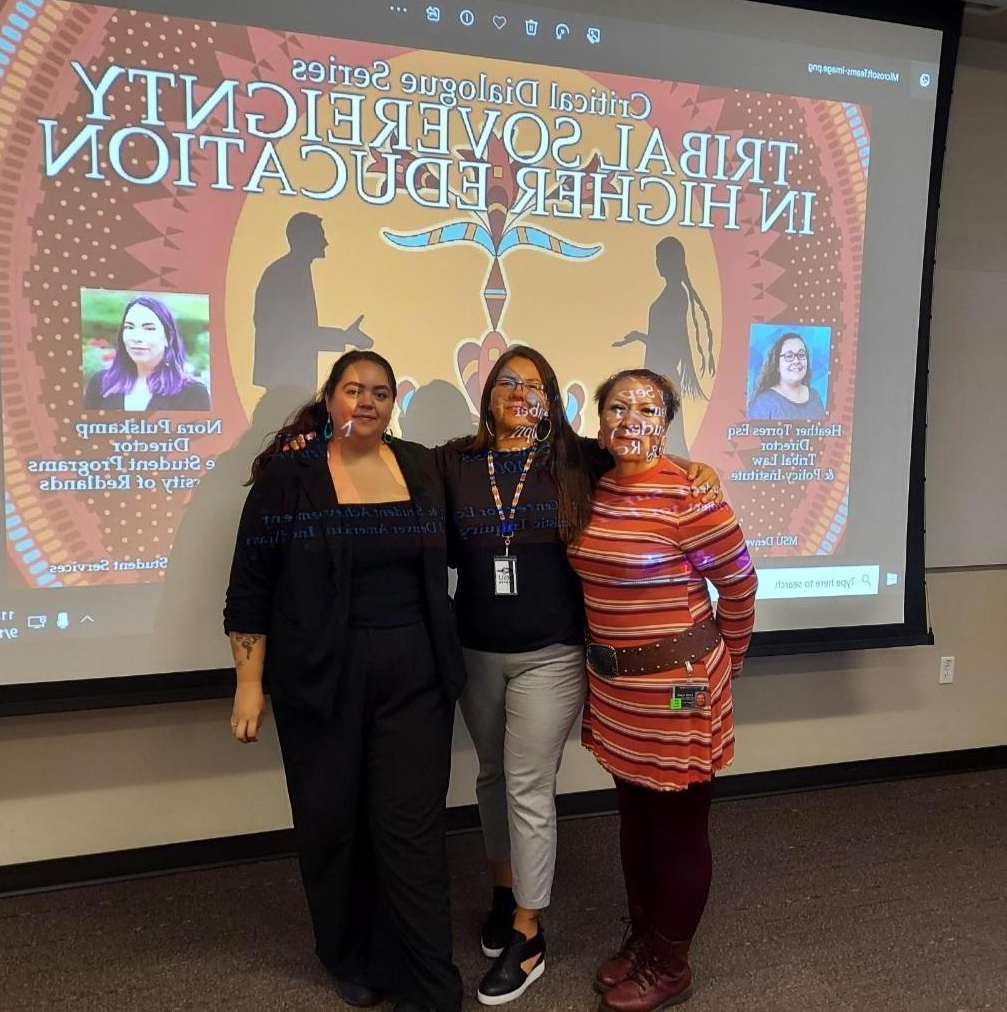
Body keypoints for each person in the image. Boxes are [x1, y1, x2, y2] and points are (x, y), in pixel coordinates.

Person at [286, 346, 721, 1006]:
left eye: (536, 384)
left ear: (552, 399)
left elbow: (645, 461)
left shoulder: (576, 459)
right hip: (475, 651)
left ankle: (528, 930)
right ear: (487, 394)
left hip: (552, 653)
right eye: (508, 383)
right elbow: (380, 456)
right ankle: (503, 891)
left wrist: (695, 464)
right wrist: (315, 432)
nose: (521, 393)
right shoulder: (452, 462)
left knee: (525, 781)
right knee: (492, 775)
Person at [223, 350, 464, 1012]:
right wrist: (250, 684)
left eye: (380, 392)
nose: (366, 401)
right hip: (320, 675)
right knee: (334, 823)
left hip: (416, 672)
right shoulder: (289, 478)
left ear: (394, 404)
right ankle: (347, 953)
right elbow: (250, 588)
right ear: (330, 399)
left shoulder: (420, 466)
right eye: (353, 389)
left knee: (410, 829)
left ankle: (426, 981)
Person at [567, 369, 757, 1012]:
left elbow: (739, 586)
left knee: (677, 827)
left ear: (667, 422)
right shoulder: (590, 487)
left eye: (647, 407)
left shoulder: (692, 497)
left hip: (680, 690)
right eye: (617, 406)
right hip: (616, 690)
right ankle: (645, 937)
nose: (631, 417)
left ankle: (670, 963)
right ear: (601, 421)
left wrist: (728, 662)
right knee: (635, 819)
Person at [614, 237, 716, 457]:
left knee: (668, 442)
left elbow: (672, 343)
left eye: (660, 258)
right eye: (657, 258)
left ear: (670, 261)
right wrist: (640, 337)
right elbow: (665, 339)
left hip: (665, 381)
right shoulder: (673, 293)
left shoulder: (675, 295)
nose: (657, 262)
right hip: (658, 381)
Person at [252, 212, 372, 391]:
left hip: (292, 380)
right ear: (303, 239)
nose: (325, 242)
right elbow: (294, 334)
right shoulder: (284, 274)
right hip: (286, 382)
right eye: (320, 235)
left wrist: (345, 337)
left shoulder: (294, 271)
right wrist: (345, 337)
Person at [84, 294, 210, 411]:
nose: (137, 337)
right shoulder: (101, 382)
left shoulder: (193, 393)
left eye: (149, 328)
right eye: (129, 327)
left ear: (169, 338)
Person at [747, 330, 827, 420]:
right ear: (777, 365)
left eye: (801, 355)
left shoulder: (815, 397)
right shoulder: (764, 403)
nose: (796, 361)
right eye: (789, 356)